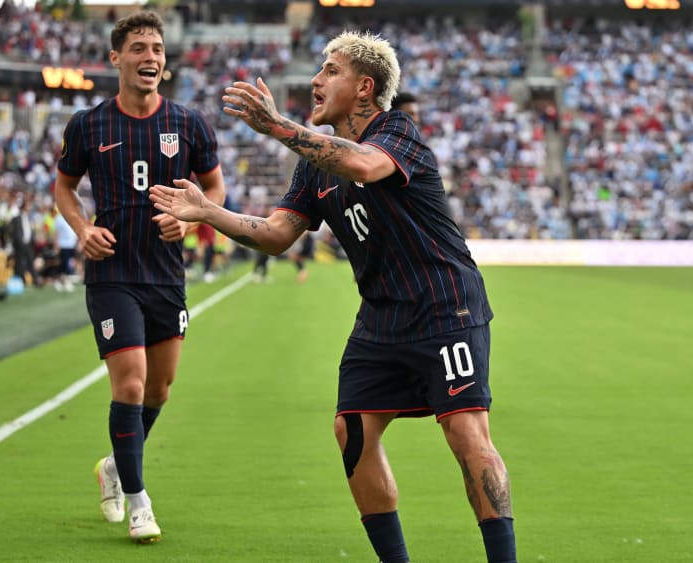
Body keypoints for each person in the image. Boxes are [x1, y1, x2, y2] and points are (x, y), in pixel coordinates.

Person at [149, 31, 516, 562]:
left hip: (445, 305)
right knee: (353, 430)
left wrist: (277, 126)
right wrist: (209, 212)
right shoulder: (313, 165)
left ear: (365, 87)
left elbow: (363, 165)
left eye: (330, 70)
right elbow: (277, 234)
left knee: (466, 434)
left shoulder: (398, 131)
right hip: (382, 315)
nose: (316, 80)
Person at [54, 10, 226, 544]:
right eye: (138, 48)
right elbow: (64, 187)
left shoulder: (189, 123)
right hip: (112, 273)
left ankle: (114, 467)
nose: (150, 57)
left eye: (156, 49)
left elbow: (215, 189)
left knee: (159, 389)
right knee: (129, 383)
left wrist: (191, 219)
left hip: (165, 275)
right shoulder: (88, 124)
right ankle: (138, 501)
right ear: (116, 58)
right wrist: (82, 228)